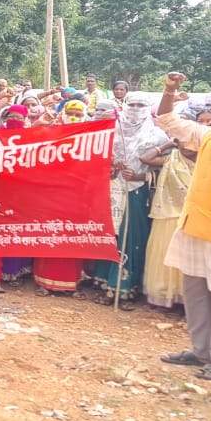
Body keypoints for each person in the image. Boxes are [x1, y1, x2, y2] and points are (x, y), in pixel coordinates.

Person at [157, 74, 211, 380]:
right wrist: (169, 90)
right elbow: (166, 118)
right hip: (195, 227)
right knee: (195, 293)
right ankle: (200, 351)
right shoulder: (205, 136)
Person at [92, 96, 153, 306]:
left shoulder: (156, 134)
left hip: (137, 192)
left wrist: (139, 176)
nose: (136, 109)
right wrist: (112, 168)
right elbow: (99, 158)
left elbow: (166, 166)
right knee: (111, 233)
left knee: (131, 237)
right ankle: (104, 282)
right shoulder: (113, 130)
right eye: (132, 104)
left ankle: (125, 286)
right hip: (112, 189)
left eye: (141, 104)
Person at [141, 129, 192, 309]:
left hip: (191, 218)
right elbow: (145, 159)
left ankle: (185, 298)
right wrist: (167, 145)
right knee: (163, 257)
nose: (187, 146)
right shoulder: (172, 158)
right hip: (167, 215)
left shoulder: (207, 160)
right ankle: (164, 294)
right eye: (183, 142)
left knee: (188, 260)